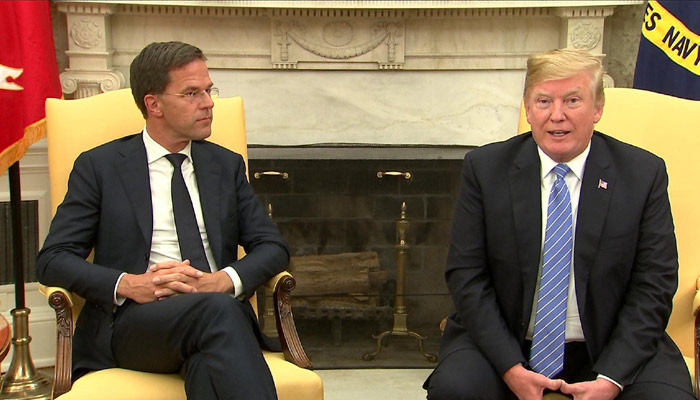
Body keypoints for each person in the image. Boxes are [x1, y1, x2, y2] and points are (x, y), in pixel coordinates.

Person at [424, 48, 694, 399]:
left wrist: (611, 379)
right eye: (543, 101)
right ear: (527, 108)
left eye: (572, 100)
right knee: (455, 390)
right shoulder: (485, 169)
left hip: (613, 343)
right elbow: (466, 276)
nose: (557, 115)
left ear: (598, 108)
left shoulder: (642, 174)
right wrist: (511, 369)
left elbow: (654, 283)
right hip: (505, 342)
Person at [36, 41, 287, 400]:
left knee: (209, 364)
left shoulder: (225, 165)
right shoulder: (101, 167)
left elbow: (273, 247)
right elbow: (52, 259)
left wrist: (222, 281)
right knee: (220, 316)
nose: (209, 103)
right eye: (192, 93)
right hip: (134, 323)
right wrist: (129, 284)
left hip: (217, 315)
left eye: (209, 90)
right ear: (154, 104)